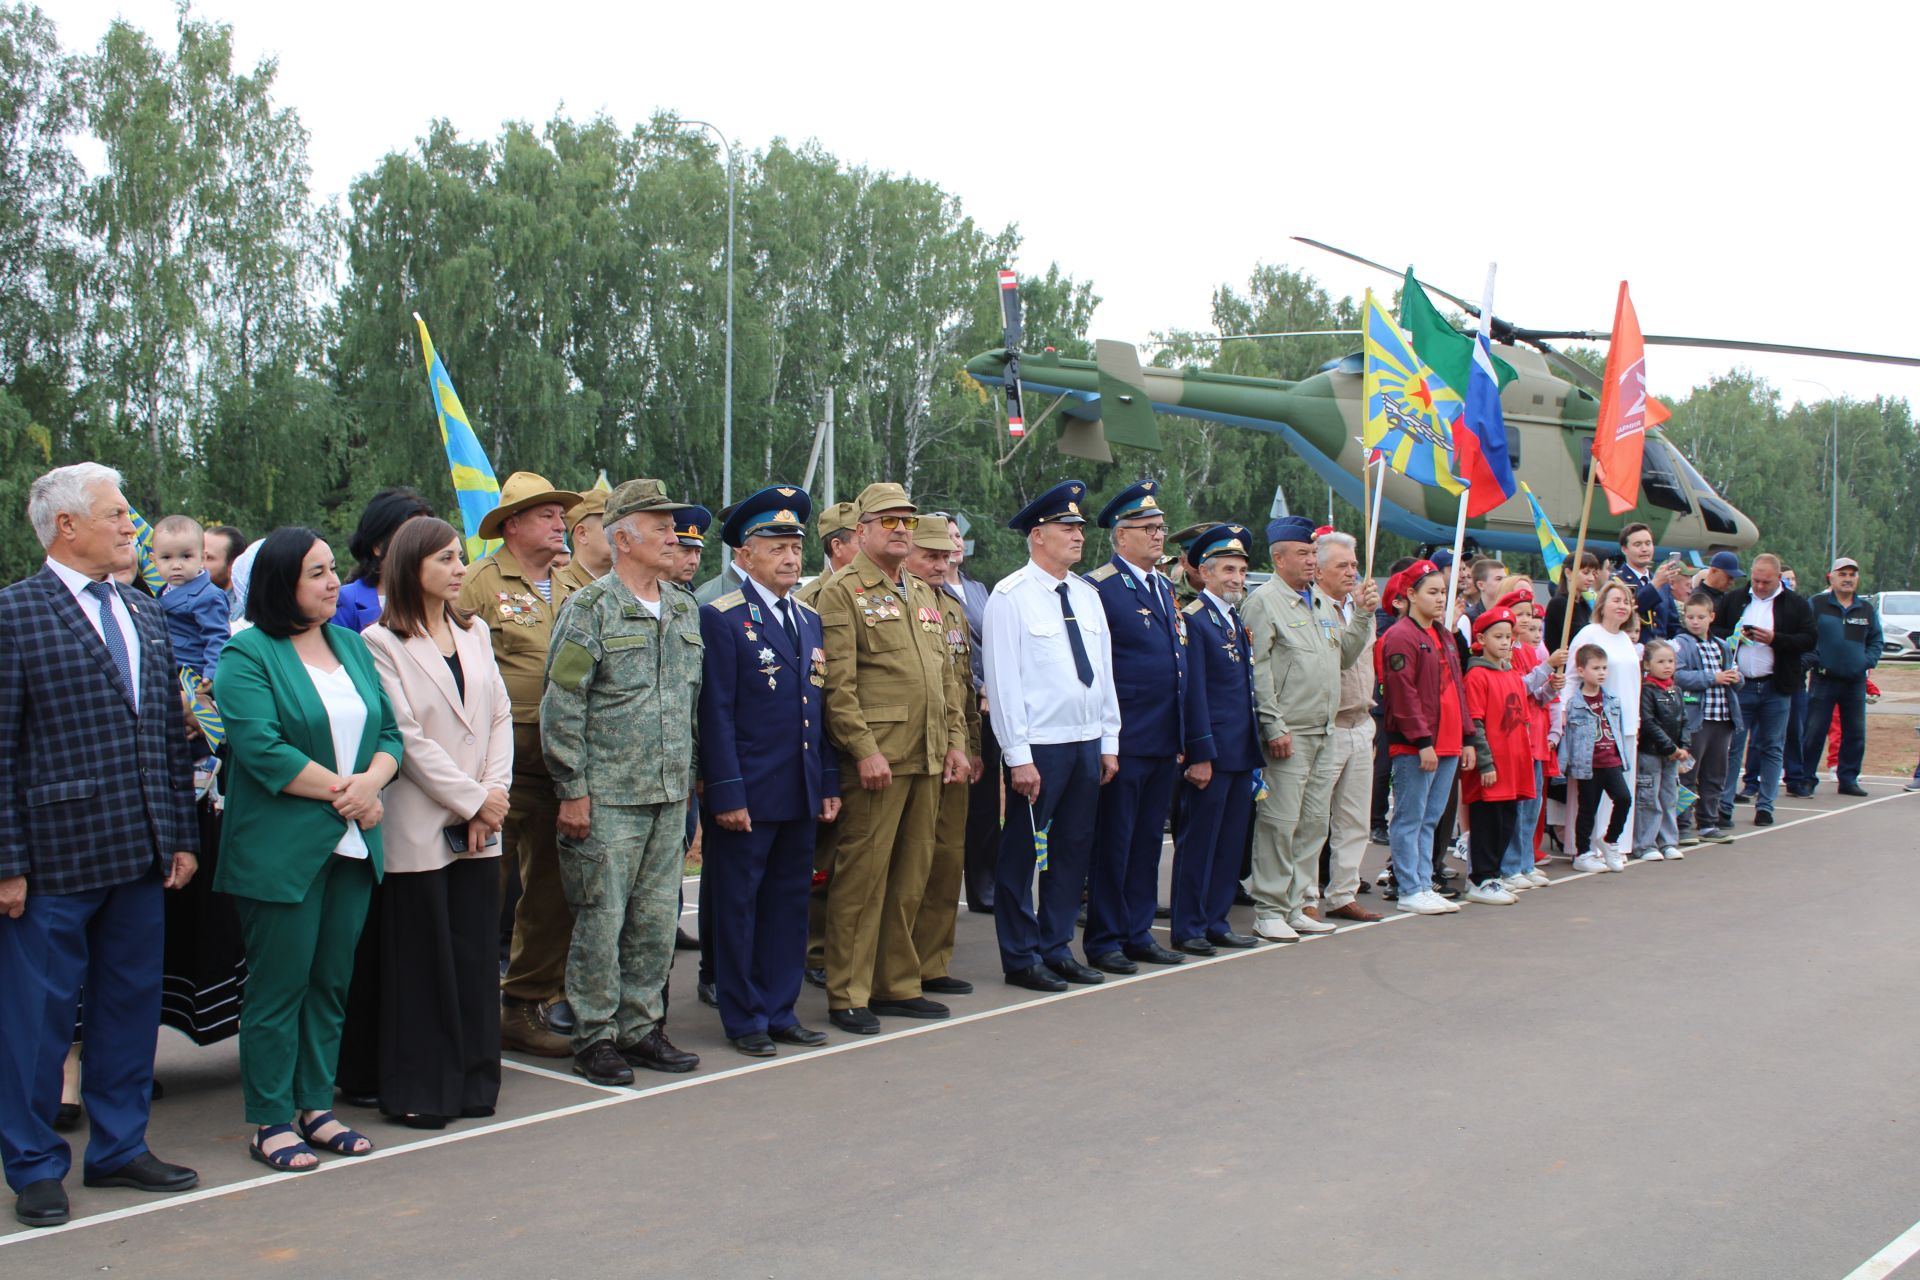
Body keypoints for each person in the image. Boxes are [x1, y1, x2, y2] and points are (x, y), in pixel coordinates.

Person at [1, 463, 202, 1228]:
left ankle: (120, 1148)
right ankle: (33, 1163)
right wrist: (5, 861)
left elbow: (163, 736)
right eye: (118, 515)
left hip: (140, 849)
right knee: (37, 1020)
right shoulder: (15, 614)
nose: (133, 528)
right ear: (66, 527)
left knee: (128, 1007)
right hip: (51, 858)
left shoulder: (144, 613)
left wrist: (179, 838)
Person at [214, 526, 402, 1171]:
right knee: (279, 987)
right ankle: (270, 1117)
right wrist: (348, 793)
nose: (333, 582)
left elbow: (388, 731)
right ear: (281, 584)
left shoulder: (350, 645)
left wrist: (373, 782)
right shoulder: (247, 654)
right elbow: (261, 747)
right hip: (281, 849)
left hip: (354, 838)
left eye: (330, 570)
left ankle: (315, 1105)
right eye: (317, 573)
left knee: (330, 981)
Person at [542, 479, 703, 1084]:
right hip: (607, 795)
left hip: (667, 792)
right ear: (624, 537)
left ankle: (641, 1027)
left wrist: (698, 777)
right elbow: (563, 702)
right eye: (660, 526)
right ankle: (595, 1035)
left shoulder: (684, 607)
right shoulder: (590, 609)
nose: (672, 536)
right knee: (601, 918)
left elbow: (693, 703)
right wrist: (573, 788)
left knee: (657, 920)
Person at [360, 517, 513, 1127]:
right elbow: (406, 738)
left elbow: (499, 715)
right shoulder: (380, 642)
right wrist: (471, 801)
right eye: (446, 559)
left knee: (475, 955)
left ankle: (476, 1083)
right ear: (410, 566)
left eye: (459, 558)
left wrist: (492, 795)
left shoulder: (474, 633)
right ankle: (423, 1090)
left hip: (482, 815)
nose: (458, 569)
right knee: (424, 963)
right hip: (423, 822)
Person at [814, 483, 970, 1033]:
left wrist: (955, 741)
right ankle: (848, 992)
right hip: (880, 759)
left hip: (928, 754)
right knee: (862, 881)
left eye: (907, 521)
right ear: (861, 532)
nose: (901, 530)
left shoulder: (924, 594)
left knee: (911, 876)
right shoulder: (842, 591)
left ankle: (897, 984)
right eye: (888, 522)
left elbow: (947, 680)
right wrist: (863, 750)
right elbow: (837, 684)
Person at [697, 487, 838, 1057]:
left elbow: (818, 706)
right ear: (743, 555)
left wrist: (827, 781)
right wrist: (727, 792)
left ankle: (780, 1009)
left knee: (787, 904)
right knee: (739, 906)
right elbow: (717, 713)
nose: (789, 556)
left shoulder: (808, 617)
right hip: (749, 793)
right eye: (775, 546)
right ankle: (745, 1015)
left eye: (794, 545)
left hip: (799, 787)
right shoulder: (723, 618)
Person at [455, 471, 583, 1057]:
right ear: (512, 526)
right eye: (547, 516)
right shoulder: (478, 583)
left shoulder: (572, 583)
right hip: (496, 770)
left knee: (554, 895)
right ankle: (466, 1013)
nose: (561, 525)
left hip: (563, 765)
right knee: (485, 893)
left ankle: (524, 1004)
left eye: (562, 516)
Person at [982, 481, 1120, 993]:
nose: (1078, 536)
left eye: (1081, 528)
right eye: (1068, 528)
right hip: (1038, 745)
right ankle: (1020, 956)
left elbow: (1103, 674)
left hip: (1085, 740)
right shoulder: (1011, 596)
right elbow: (1003, 682)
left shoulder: (1086, 596)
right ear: (1038, 535)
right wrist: (1017, 756)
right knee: (1022, 853)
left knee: (1073, 850)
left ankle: (1057, 946)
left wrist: (1109, 741)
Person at [1243, 516, 1376, 939]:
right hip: (1291, 731)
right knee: (1279, 823)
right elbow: (1257, 669)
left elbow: (1344, 656)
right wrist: (1273, 723)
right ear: (1278, 558)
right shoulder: (1265, 602)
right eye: (1303, 554)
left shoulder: (1317, 603)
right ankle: (1269, 908)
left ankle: (1299, 901)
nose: (1310, 562)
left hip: (1323, 729)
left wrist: (1364, 615)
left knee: (1314, 822)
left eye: (1313, 554)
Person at [1083, 479, 1197, 971]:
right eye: (1148, 529)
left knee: (1150, 841)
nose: (1158, 536)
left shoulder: (1164, 587)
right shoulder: (1100, 587)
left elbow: (1175, 662)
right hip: (1124, 736)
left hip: (1161, 736)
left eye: (1160, 528)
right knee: (1115, 842)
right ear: (1121, 535)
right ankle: (1106, 938)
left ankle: (1138, 930)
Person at [1169, 524, 1264, 951]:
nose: (1236, 578)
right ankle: (1189, 927)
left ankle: (1217, 920)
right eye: (1227, 569)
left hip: (1240, 751)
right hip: (1211, 753)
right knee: (1200, 843)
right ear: (1204, 573)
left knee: (1229, 844)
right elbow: (1194, 693)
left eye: (1242, 570)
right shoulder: (1194, 620)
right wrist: (1200, 752)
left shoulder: (1233, 619)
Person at [903, 515, 982, 999]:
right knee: (908, 869)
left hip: (952, 749)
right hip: (909, 752)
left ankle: (932, 962)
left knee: (947, 862)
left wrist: (970, 746)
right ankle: (897, 969)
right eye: (929, 556)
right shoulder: (898, 601)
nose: (940, 564)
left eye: (945, 556)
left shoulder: (950, 607)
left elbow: (961, 687)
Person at [1377, 561, 1472, 915]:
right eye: (1432, 592)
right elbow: (1402, 695)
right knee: (1409, 816)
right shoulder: (1402, 636)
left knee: (1430, 818)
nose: (1439, 598)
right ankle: (1408, 887)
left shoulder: (1444, 635)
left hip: (1446, 742)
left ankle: (1422, 879)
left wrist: (1465, 736)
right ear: (1410, 595)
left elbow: (1457, 690)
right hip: (1419, 744)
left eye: (1442, 592)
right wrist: (1421, 740)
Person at [1711, 552, 1815, 828]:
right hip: (1740, 684)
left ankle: (1766, 805)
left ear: (1778, 579)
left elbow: (1809, 638)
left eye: (1765, 582)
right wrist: (1735, 638)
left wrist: (1775, 639)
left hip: (1775, 685)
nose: (1759, 586)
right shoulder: (1735, 599)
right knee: (1733, 746)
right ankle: (1724, 805)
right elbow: (1714, 630)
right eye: (1755, 580)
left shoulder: (1795, 604)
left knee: (1772, 746)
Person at [1313, 531, 1383, 922]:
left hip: (1360, 721)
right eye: (1342, 565)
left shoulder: (1359, 609)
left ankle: (1343, 892)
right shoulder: (1313, 607)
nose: (1352, 572)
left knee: (1355, 818)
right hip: (1329, 724)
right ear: (1319, 569)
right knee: (1314, 819)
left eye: (1354, 565)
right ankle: (1306, 893)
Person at [1563, 579, 1642, 869]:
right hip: (1592, 723)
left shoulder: (1625, 639)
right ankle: (1583, 847)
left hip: (1626, 723)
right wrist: (1566, 713)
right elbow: (1573, 676)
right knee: (1590, 794)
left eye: (1626, 601)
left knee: (1622, 792)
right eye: (1616, 600)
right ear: (1602, 604)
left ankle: (1614, 843)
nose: (1622, 606)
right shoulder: (1589, 633)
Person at [1461, 607, 1533, 904]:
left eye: (1509, 637)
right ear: (1481, 638)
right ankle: (1481, 878)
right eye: (1498, 636)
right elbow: (1475, 723)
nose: (1505, 642)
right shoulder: (1477, 675)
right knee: (1486, 822)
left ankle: (1495, 874)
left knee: (1506, 820)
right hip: (1492, 766)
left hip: (1513, 764)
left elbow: (1521, 722)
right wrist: (1486, 763)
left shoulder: (1512, 674)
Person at [947, 517, 999, 915]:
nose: (956, 543)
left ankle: (985, 885)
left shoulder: (979, 589)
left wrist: (990, 686)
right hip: (959, 702)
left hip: (986, 706)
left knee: (984, 802)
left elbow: (993, 642)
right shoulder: (929, 590)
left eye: (959, 536)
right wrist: (979, 683)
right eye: (948, 537)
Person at [1802, 557, 1881, 798]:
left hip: (1854, 681)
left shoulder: (1866, 609)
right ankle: (1805, 779)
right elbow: (1805, 635)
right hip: (1824, 679)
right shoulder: (1817, 604)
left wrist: (1866, 662)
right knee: (1814, 731)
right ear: (1831, 577)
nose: (1847, 578)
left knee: (1855, 732)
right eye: (1842, 574)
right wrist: (1815, 659)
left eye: (1852, 574)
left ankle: (1848, 779)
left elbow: (1876, 640)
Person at [1500, 589, 1562, 883]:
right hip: (1518, 736)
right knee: (1519, 805)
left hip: (1536, 736)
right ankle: (1511, 864)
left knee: (1532, 807)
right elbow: (1518, 689)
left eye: (1530, 614)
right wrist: (1547, 668)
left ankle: (1524, 862)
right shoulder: (1509, 650)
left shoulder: (1527, 651)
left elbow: (1538, 696)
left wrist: (1553, 686)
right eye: (1520, 614)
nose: (1526, 620)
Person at [1673, 593, 1740, 844]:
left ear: (1712, 617)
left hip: (1721, 718)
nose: (1695, 622)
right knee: (1688, 772)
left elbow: (1733, 672)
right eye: (1690, 617)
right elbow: (1678, 676)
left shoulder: (1722, 645)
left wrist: (1736, 678)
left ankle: (1708, 822)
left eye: (1701, 617)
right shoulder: (1681, 644)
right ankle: (1681, 824)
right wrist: (1713, 678)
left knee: (1715, 773)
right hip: (1694, 720)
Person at [1559, 644, 1633, 870]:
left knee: (1623, 798)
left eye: (1604, 668)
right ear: (1581, 671)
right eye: (1596, 668)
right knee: (1587, 809)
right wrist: (1564, 766)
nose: (1601, 672)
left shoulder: (1612, 700)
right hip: (1588, 765)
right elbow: (1568, 737)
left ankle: (1610, 841)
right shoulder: (1574, 704)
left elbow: (1617, 730)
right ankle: (1582, 853)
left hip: (1611, 761)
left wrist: (1621, 756)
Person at [333, 488, 435, 633]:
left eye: (430, 538)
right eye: (412, 538)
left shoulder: (438, 598)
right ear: (378, 546)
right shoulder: (344, 603)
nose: (425, 548)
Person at [1632, 638, 1691, 862]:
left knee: (1669, 797)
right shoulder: (1647, 691)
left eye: (1671, 661)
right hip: (1652, 752)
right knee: (1648, 798)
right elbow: (1648, 722)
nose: (1667, 666)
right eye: (1661, 661)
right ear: (1647, 664)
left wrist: (1683, 746)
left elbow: (1684, 720)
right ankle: (1645, 844)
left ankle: (1668, 841)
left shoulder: (1675, 690)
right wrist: (1669, 747)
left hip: (1673, 755)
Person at [152, 514, 230, 681]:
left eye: (186, 556)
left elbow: (217, 638)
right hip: (166, 670)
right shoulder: (163, 591)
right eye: (166, 557)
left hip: (192, 674)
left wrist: (212, 674)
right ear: (153, 560)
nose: (176, 565)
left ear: (202, 558)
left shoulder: (208, 596)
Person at [1615, 523, 1687, 640]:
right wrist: (1655, 584)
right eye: (1637, 544)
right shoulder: (1618, 581)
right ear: (1624, 549)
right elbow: (1632, 610)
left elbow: (1672, 624)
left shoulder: (1661, 582)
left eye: (1648, 543)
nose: (1644, 549)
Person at [794, 501, 859, 608]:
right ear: (837, 546)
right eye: (862, 543)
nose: (871, 549)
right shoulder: (806, 601)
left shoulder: (882, 589)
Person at [554, 489, 612, 594]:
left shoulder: (633, 585)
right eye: (611, 526)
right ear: (582, 534)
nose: (621, 534)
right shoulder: (556, 588)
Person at [1543, 550, 1603, 648]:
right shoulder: (1559, 603)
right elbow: (1576, 637)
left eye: (1593, 573)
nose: (1591, 578)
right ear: (1568, 573)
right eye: (1586, 573)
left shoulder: (1584, 605)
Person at [203, 524, 246, 605]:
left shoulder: (242, 610)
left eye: (208, 558)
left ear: (233, 564)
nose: (199, 564)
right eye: (197, 556)